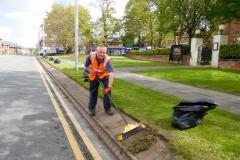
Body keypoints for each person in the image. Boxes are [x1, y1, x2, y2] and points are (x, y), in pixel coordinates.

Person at [85, 45, 114, 116]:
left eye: (104, 52)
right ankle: (91, 109)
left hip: (104, 75)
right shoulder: (90, 56)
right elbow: (86, 67)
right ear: (96, 51)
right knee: (93, 92)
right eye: (100, 52)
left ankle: (108, 108)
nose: (102, 54)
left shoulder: (108, 59)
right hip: (94, 75)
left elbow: (111, 73)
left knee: (107, 92)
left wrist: (109, 86)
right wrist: (93, 72)